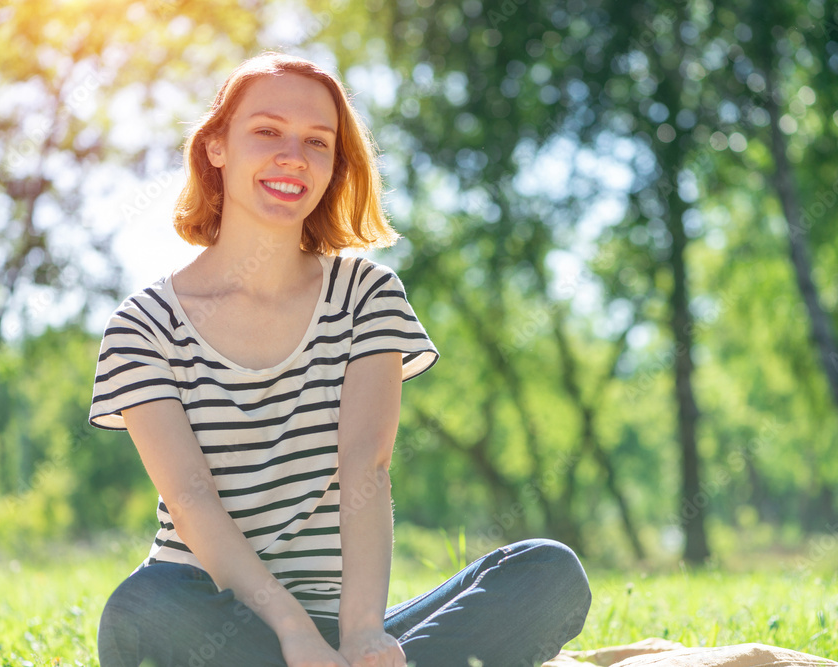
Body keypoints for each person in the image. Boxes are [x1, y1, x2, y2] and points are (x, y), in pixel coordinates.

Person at [89, 51, 591, 667]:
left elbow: (367, 465)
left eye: (317, 143)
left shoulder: (366, 295)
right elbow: (193, 505)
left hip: (341, 629)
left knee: (547, 572)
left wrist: (358, 635)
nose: (293, 157)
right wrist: (293, 635)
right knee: (141, 610)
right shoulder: (144, 325)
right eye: (267, 132)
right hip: (209, 613)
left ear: (334, 165)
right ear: (216, 146)